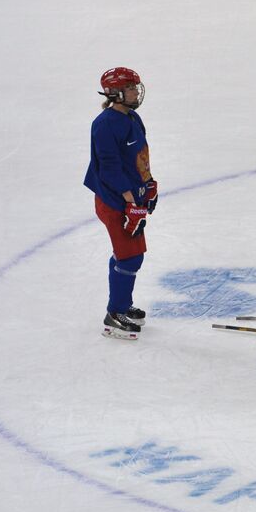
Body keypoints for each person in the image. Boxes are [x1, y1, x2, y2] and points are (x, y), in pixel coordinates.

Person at [84, 67, 158, 340]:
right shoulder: (104, 124)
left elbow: (140, 156)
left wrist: (149, 183)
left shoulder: (133, 117)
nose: (136, 92)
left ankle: (122, 304)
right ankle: (115, 313)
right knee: (130, 255)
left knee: (128, 253)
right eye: (130, 88)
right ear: (116, 93)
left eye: (136, 87)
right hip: (115, 201)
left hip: (131, 197)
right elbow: (109, 168)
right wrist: (130, 203)